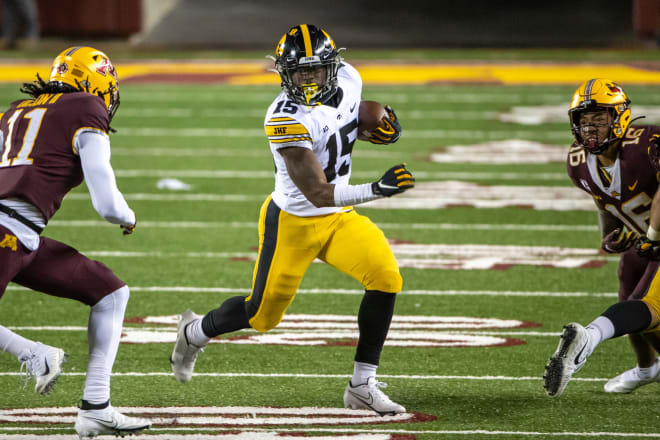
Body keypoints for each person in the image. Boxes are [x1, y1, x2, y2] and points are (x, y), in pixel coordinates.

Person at [170, 24, 414, 416]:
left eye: (314, 70)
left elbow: (349, 112)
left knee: (386, 277)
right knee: (262, 316)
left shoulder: (350, 78)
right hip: (293, 221)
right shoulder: (283, 118)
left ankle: (361, 385)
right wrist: (377, 189)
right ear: (284, 72)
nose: (307, 78)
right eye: (298, 71)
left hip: (338, 218)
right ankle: (194, 331)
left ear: (331, 67)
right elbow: (316, 191)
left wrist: (372, 122)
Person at [0, 46, 151, 438]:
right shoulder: (84, 107)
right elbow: (106, 202)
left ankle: (96, 407)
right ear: (93, 80)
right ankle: (32, 353)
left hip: (20, 234)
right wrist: (128, 216)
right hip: (9, 231)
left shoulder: (17, 109)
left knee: (110, 293)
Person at [544, 78, 660, 398]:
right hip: (645, 240)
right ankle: (648, 369)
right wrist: (610, 234)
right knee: (630, 304)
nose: (590, 127)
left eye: (599, 118)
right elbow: (604, 198)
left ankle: (588, 338)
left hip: (655, 237)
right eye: (584, 120)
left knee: (644, 306)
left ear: (619, 117)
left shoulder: (645, 143)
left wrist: (653, 233)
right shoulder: (579, 163)